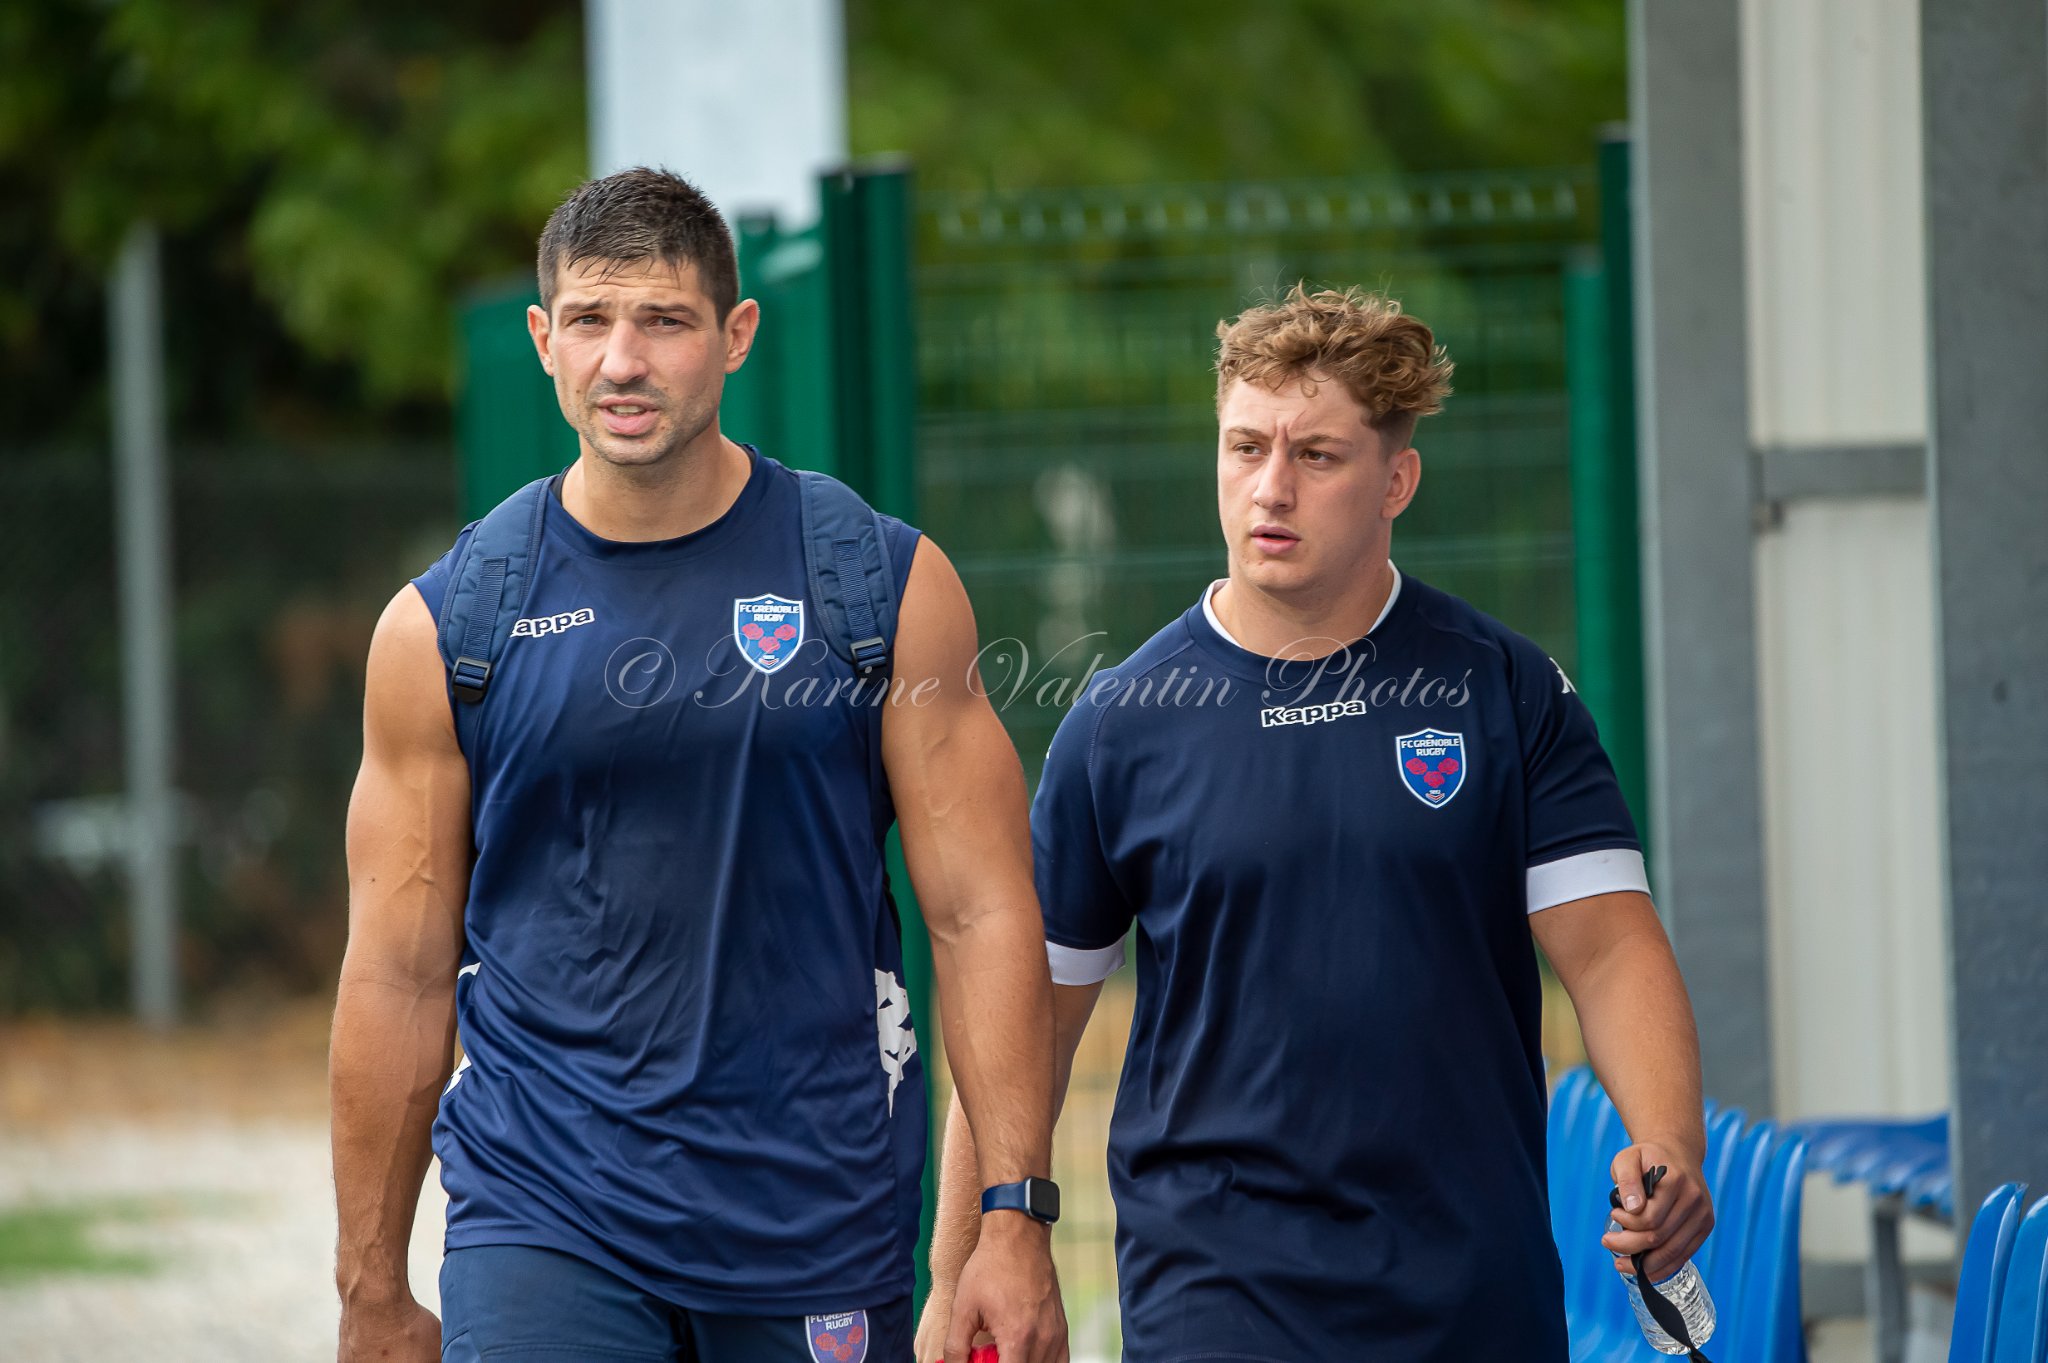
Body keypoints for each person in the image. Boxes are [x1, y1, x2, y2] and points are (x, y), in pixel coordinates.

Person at [331, 168, 1068, 1363]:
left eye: (663, 321)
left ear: (734, 337)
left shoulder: (877, 585)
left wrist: (1012, 1218)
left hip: (813, 1218)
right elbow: (396, 976)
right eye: (588, 321)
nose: (622, 360)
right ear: (542, 339)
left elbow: (981, 913)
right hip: (543, 1213)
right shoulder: (445, 625)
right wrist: (371, 1283)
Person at [918, 285, 1712, 1363]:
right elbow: (1023, 1020)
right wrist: (973, 1248)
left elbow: (1611, 948)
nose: (1270, 488)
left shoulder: (1501, 688)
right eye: (1244, 447)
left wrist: (1666, 1138)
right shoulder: (1120, 724)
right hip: (1214, 1287)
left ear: (1396, 478)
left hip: (1469, 1289)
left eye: (1317, 456)